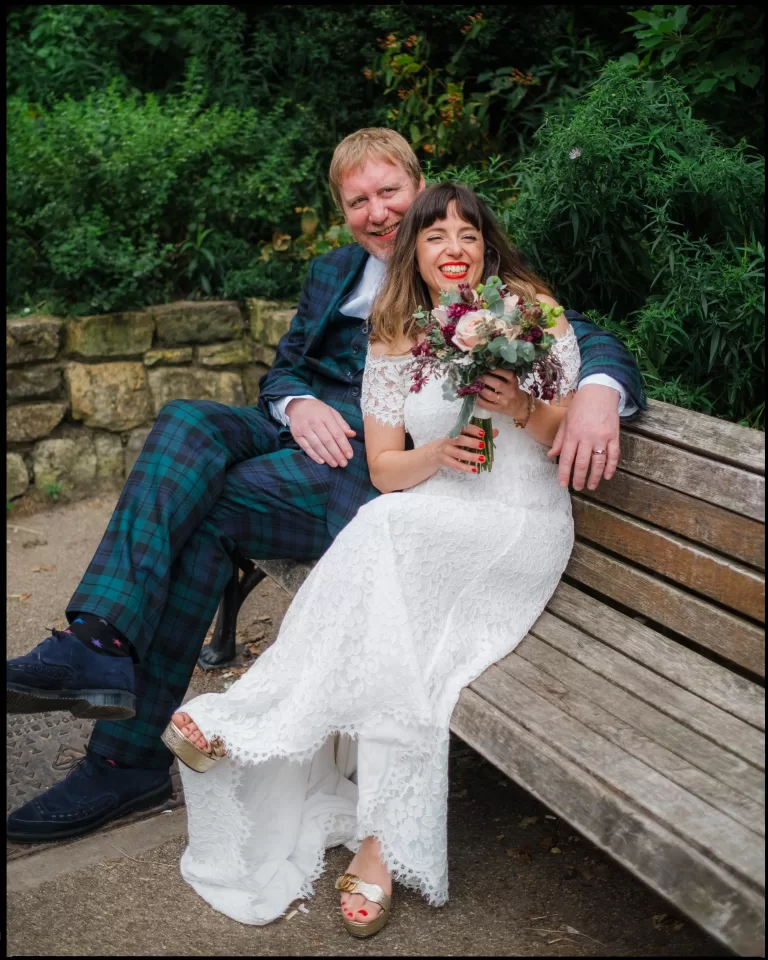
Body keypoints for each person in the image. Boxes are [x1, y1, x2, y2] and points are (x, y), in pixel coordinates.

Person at [6, 129, 644, 845]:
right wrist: (296, 404)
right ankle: (97, 641)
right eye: (357, 201)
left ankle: (123, 759)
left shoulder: (468, 272)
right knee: (186, 423)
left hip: (377, 481)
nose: (376, 213)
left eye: (389, 194)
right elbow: (283, 369)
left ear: (419, 187)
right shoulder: (332, 273)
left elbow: (575, 330)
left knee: (204, 512)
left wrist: (598, 389)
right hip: (300, 441)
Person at [161, 181, 590, 936]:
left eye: (467, 236)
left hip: (517, 526)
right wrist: (441, 451)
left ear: (487, 245)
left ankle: (249, 713)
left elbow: (564, 439)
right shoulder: (395, 334)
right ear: (413, 254)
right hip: (435, 513)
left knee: (384, 532)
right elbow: (388, 469)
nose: (453, 250)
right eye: (435, 238)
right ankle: (379, 845)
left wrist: (518, 404)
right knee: (399, 616)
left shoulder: (531, 311)